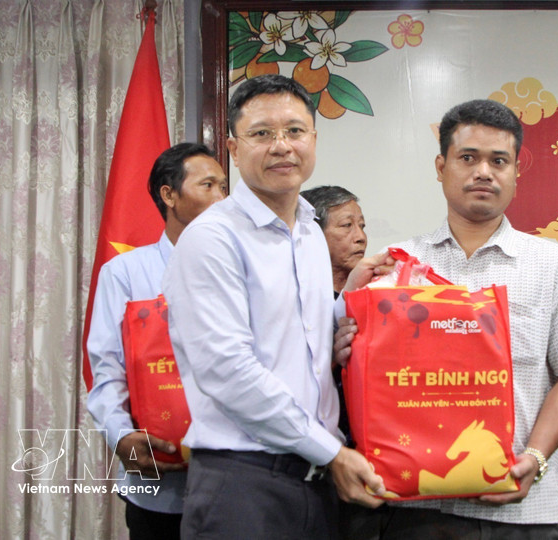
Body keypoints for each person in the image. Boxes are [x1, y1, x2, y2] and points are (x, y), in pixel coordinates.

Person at [334, 99, 558, 539]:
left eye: (498, 160)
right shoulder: (396, 267)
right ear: (441, 166)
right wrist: (347, 333)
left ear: (517, 172)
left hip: (523, 515)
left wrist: (536, 459)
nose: (484, 171)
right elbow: (361, 372)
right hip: (415, 511)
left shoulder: (555, 265)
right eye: (468, 158)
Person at [162, 74, 385, 539]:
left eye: (295, 131)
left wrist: (352, 309)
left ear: (314, 140)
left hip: (317, 483)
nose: (282, 146)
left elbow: (300, 340)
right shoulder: (212, 238)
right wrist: (330, 451)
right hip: (244, 484)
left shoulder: (307, 229)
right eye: (262, 133)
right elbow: (227, 369)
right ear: (233, 148)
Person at [87, 143, 228, 539]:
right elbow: (107, 366)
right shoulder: (126, 272)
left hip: (234, 481)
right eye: (208, 185)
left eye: (223, 186)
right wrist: (120, 434)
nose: (221, 198)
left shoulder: (244, 269)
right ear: (169, 195)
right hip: (160, 483)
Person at [301, 185, 367, 298]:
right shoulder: (301, 295)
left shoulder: (373, 289)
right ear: (315, 231)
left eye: (362, 226)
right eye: (347, 225)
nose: (361, 237)